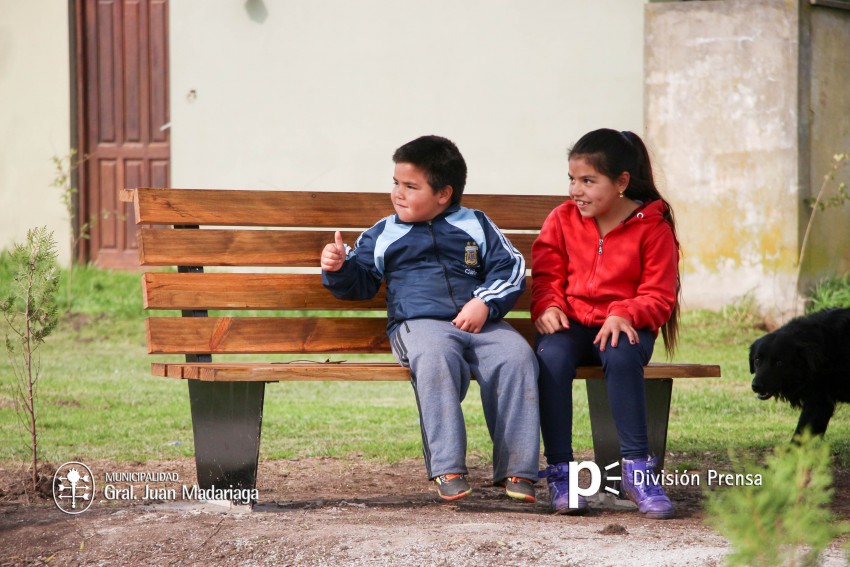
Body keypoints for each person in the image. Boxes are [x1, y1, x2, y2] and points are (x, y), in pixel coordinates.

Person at [321, 135, 540, 503]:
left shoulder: (476, 224)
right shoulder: (384, 233)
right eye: (395, 183)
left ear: (443, 194)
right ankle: (447, 467)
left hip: (481, 321)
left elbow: (511, 266)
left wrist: (484, 303)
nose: (398, 194)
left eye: (410, 186)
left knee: (516, 356)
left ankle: (518, 470)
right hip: (419, 324)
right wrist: (339, 267)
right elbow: (358, 282)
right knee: (435, 357)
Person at [531, 128, 681, 519]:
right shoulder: (562, 220)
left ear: (621, 182)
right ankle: (563, 475)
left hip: (626, 326)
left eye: (587, 181)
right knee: (551, 356)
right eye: (572, 179)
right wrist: (547, 306)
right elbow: (547, 277)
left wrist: (624, 312)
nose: (575, 190)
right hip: (574, 323)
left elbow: (659, 296)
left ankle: (637, 470)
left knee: (619, 349)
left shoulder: (653, 227)